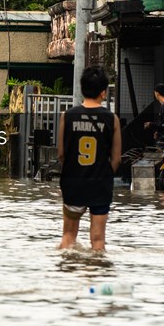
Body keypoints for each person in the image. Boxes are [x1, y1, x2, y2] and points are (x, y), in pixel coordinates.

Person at [58, 67, 122, 252]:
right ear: (103, 92)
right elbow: (116, 159)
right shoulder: (112, 119)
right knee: (98, 240)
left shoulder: (67, 116)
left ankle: (62, 277)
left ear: (82, 88)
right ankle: (96, 276)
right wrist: (103, 175)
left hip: (73, 182)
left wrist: (73, 172)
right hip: (100, 185)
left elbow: (61, 154)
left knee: (68, 237)